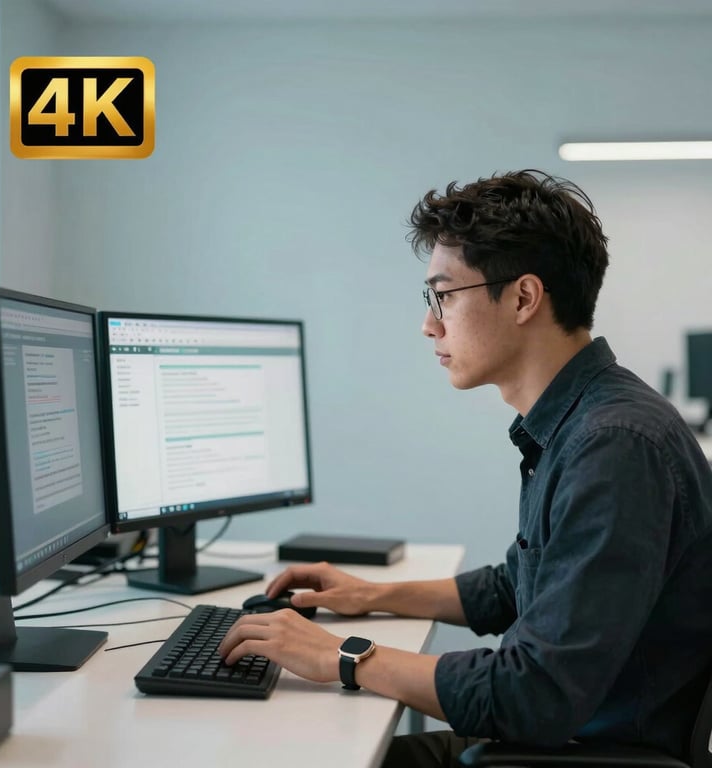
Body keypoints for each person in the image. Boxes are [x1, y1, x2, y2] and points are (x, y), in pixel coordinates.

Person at [219, 169, 712, 765]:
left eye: (445, 295)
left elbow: (535, 695)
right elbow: (513, 587)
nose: (429, 323)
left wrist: (342, 655)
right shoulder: (585, 421)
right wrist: (369, 594)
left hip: (583, 752)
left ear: (524, 298)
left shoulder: (613, 446)